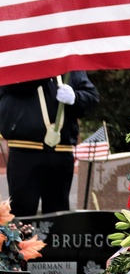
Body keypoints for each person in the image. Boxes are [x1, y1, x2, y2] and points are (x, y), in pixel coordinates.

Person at [0, 72, 99, 217]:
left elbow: (92, 97)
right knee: (22, 213)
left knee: (59, 215)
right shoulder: (19, 60)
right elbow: (17, 87)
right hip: (25, 151)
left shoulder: (70, 67)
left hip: (61, 152)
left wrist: (76, 98)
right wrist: (46, 71)